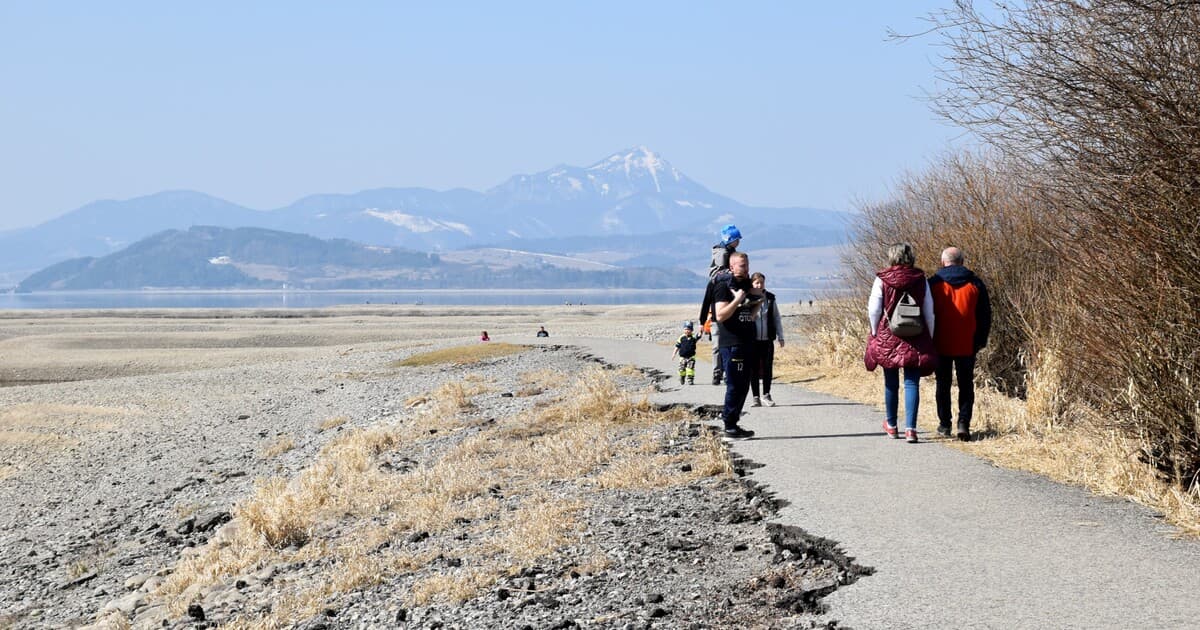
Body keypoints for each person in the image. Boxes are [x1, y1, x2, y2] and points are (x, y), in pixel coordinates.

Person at [864, 243, 937, 443]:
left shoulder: (882, 279)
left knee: (891, 382)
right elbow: (929, 311)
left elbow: (874, 309)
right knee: (912, 382)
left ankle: (892, 425)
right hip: (916, 334)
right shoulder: (921, 279)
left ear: (891, 257)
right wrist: (929, 336)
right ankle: (911, 429)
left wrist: (874, 332)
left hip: (888, 334)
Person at [929, 246, 992, 442]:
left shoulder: (933, 283)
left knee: (943, 383)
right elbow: (985, 316)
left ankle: (944, 424)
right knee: (966, 384)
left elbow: (926, 314)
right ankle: (963, 423)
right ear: (962, 262)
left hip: (940, 342)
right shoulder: (976, 283)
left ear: (943, 262)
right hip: (967, 342)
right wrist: (980, 341)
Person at [714, 252, 760, 439]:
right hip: (732, 342)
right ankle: (729, 425)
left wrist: (757, 300)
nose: (746, 269)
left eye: (747, 265)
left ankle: (734, 423)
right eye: (742, 265)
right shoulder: (723, 286)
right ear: (732, 266)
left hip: (748, 341)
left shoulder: (745, 285)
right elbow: (720, 315)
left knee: (744, 385)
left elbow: (753, 313)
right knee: (734, 385)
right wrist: (737, 300)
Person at [699, 224, 742, 385]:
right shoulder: (723, 253)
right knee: (718, 345)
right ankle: (718, 373)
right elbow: (718, 276)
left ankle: (726, 372)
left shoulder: (731, 253)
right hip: (719, 314)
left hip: (728, 309)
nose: (738, 242)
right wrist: (702, 320)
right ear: (731, 239)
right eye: (737, 239)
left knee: (727, 345)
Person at [748, 272, 785, 407]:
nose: (759, 285)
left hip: (767, 339)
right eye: (757, 282)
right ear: (752, 283)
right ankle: (755, 397)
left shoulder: (770, 298)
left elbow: (776, 317)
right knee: (754, 368)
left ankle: (766, 394)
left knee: (768, 367)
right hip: (753, 339)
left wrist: (780, 335)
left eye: (761, 282)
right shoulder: (748, 298)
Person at [671, 321, 701, 385]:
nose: (687, 331)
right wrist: (674, 354)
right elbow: (677, 346)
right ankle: (682, 377)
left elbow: (699, 335)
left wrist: (701, 329)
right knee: (682, 369)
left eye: (689, 329)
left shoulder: (693, 338)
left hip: (691, 357)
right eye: (686, 329)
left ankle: (690, 379)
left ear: (691, 330)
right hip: (682, 357)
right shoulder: (681, 338)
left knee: (690, 369)